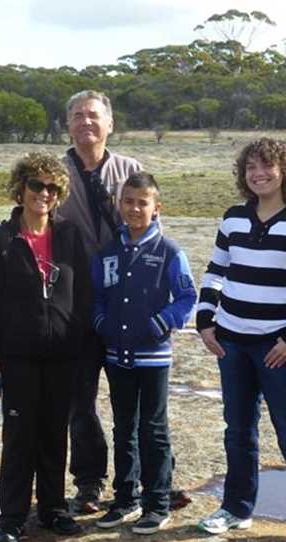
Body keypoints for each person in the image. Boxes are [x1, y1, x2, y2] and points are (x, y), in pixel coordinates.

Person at [196, 138, 286, 542]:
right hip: (231, 343)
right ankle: (237, 508)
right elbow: (216, 270)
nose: (259, 173)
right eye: (251, 167)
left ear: (285, 171)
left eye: (268, 166)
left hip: (278, 347)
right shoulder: (233, 218)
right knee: (237, 429)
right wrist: (205, 319)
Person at [0, 152, 90, 542]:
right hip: (17, 357)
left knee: (55, 435)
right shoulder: (1, 240)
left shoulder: (71, 236)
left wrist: (83, 345)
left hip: (62, 356)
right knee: (20, 438)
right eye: (37, 185)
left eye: (52, 188)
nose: (44, 193)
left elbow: (85, 297)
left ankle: (54, 510)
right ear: (21, 188)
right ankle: (11, 519)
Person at [91, 172, 197, 534]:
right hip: (116, 356)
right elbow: (97, 297)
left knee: (153, 429)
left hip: (153, 356)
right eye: (129, 202)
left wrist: (160, 323)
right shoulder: (108, 251)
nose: (135, 209)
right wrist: (101, 322)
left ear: (156, 207)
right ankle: (125, 500)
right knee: (124, 429)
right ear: (120, 205)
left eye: (142, 202)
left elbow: (187, 297)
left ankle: (158, 503)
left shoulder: (169, 251)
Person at [56, 89, 143, 514]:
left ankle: (142, 482)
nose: (85, 123)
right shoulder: (55, 174)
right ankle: (89, 484)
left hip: (126, 305)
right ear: (67, 125)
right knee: (80, 401)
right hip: (75, 307)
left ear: (110, 123)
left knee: (135, 399)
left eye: (93, 116)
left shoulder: (130, 170)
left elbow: (151, 231)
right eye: (77, 116)